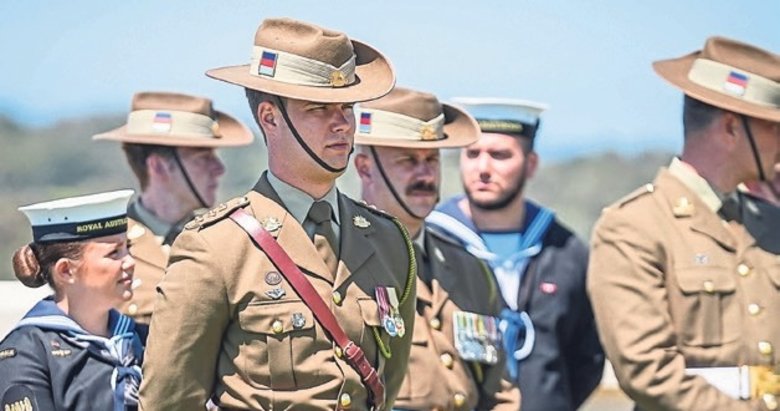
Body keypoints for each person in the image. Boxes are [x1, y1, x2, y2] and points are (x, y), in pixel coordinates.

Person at [139, 17, 416, 411]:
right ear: (270, 118)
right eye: (320, 108)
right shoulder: (215, 247)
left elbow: (388, 384)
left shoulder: (388, 241)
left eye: (348, 107)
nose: (342, 123)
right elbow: (169, 401)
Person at [587, 36, 780, 410]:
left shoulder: (772, 224)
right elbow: (647, 370)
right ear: (730, 127)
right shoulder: (633, 228)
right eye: (773, 127)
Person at [427, 98, 604, 410]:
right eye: (473, 154)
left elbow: (587, 357)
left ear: (531, 164)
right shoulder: (431, 244)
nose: (483, 168)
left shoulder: (565, 250)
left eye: (500, 155)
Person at [353, 86, 521, 410]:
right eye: (407, 160)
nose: (425, 174)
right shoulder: (341, 261)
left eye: (432, 159)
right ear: (364, 168)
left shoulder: (470, 270)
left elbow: (500, 392)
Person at [93, 91, 254, 324]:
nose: (219, 168)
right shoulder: (105, 250)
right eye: (202, 158)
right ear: (158, 166)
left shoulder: (228, 239)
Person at [0, 190, 144, 410]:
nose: (130, 262)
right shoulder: (25, 353)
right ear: (66, 271)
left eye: (128, 248)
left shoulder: (145, 339)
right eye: (114, 253)